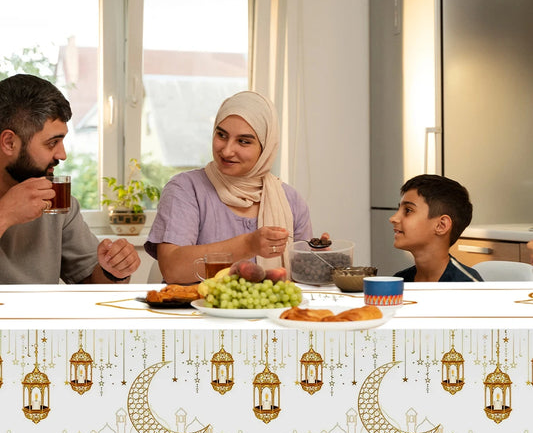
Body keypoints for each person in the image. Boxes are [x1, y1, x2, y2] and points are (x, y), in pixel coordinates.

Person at [145, 90, 313, 284]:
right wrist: (248, 245)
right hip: (194, 313)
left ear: (265, 148)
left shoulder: (290, 201)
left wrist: (322, 260)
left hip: (272, 314)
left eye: (243, 141)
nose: (226, 150)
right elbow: (173, 269)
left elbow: (303, 281)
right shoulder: (185, 189)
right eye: (222, 135)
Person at [0, 74, 140, 284]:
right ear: (9, 143)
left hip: (42, 317)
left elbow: (91, 284)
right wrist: (5, 214)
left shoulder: (57, 201)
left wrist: (113, 270)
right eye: (51, 143)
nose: (62, 155)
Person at [389, 174, 483, 282]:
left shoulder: (469, 287)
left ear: (441, 225)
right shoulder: (400, 281)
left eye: (408, 210)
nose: (393, 218)